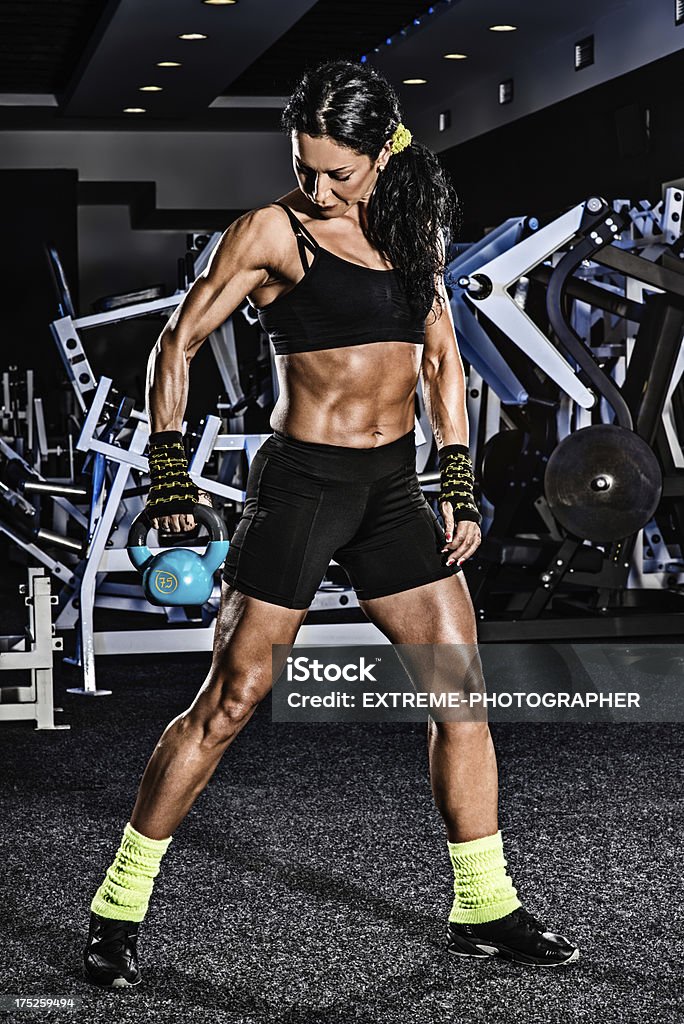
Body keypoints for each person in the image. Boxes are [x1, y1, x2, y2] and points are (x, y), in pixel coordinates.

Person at [83, 59, 579, 987]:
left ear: (381, 149)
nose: (316, 187)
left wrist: (457, 481)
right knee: (232, 698)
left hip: (392, 491)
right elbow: (178, 342)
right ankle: (117, 907)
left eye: (335, 172)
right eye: (304, 166)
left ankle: (485, 905)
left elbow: (440, 357)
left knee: (461, 695)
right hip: (305, 486)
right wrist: (165, 476)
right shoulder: (271, 230)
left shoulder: (409, 224)